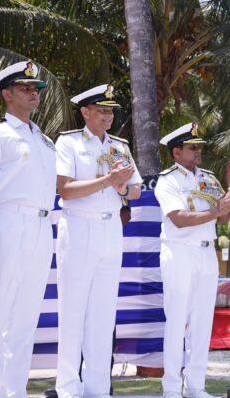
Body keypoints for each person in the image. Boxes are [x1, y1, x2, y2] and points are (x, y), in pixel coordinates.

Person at [0, 61, 57, 398]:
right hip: (8, 223)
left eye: (35, 89)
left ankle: (15, 390)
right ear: (6, 94)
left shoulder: (43, 138)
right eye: (25, 88)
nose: (33, 94)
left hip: (41, 224)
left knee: (26, 316)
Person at [53, 84, 142, 398]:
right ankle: (67, 388)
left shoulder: (119, 146)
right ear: (85, 112)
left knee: (104, 313)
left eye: (111, 110)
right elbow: (65, 189)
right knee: (73, 310)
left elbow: (134, 190)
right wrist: (109, 180)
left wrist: (120, 189)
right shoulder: (69, 143)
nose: (108, 115)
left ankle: (97, 388)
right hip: (78, 228)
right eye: (102, 110)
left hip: (110, 229)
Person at [155, 123, 230, 398]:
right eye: (192, 147)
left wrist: (229, 206)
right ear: (176, 152)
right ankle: (171, 387)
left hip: (207, 252)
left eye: (199, 147)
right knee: (177, 321)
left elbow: (221, 217)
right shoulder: (168, 180)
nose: (198, 152)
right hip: (179, 250)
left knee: (202, 321)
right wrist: (218, 210)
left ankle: (195, 386)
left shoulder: (207, 177)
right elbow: (178, 219)